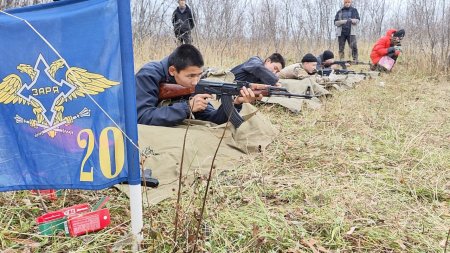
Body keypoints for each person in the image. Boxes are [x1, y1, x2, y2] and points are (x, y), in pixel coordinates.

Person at [135, 44, 259, 127]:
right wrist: (187, 107)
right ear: (172, 71)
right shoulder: (149, 75)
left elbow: (212, 118)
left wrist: (235, 103)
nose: (195, 81)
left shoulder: (194, 83)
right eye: (190, 76)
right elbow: (141, 117)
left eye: (199, 75)